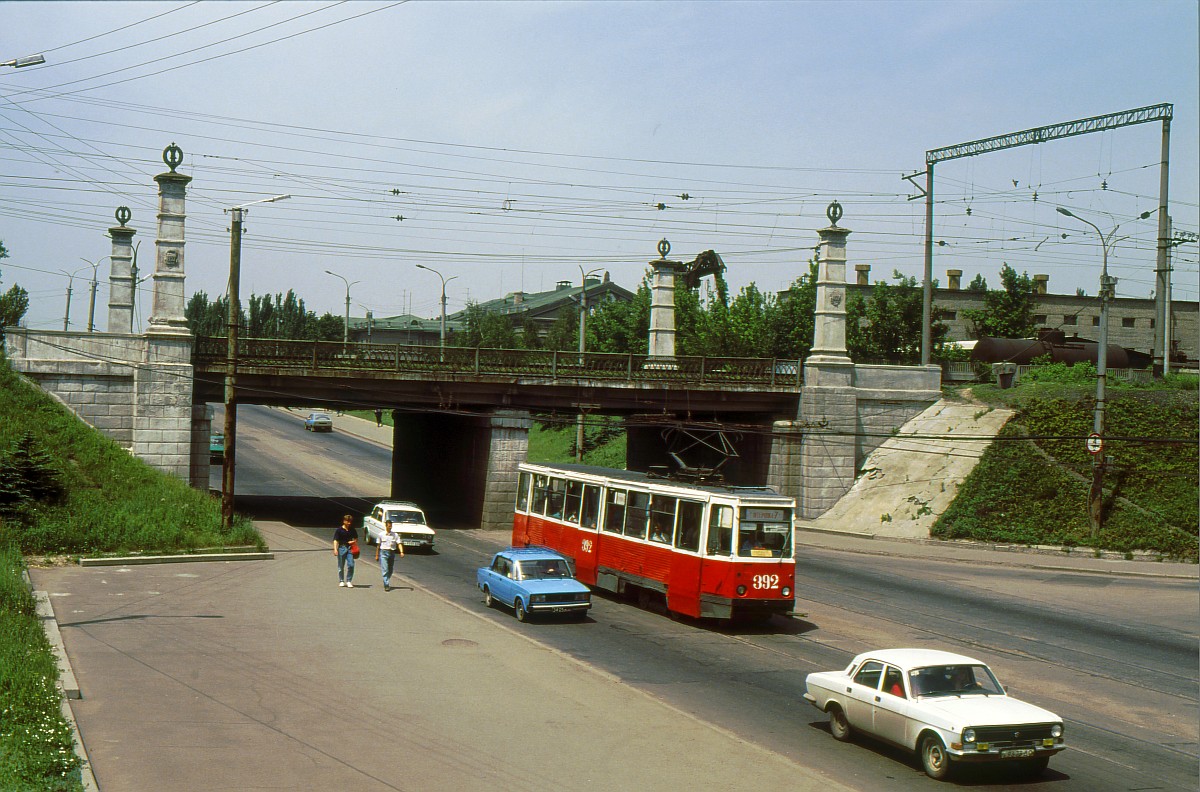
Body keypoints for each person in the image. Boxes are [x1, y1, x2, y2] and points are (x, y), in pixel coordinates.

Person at [375, 519, 404, 591]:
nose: (390, 528)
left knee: (390, 569)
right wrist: (377, 555)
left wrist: (401, 552)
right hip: (383, 552)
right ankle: (386, 584)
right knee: (385, 569)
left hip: (392, 552)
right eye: (388, 526)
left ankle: (386, 579)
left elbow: (399, 543)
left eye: (391, 526)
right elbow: (378, 546)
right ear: (386, 526)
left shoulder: (395, 535)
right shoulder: (381, 534)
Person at [332, 514, 358, 588]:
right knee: (341, 565)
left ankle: (349, 580)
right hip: (342, 548)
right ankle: (341, 581)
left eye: (350, 522)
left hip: (350, 548)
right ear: (344, 521)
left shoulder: (352, 530)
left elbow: (356, 539)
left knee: (351, 565)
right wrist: (335, 549)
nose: (349, 523)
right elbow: (335, 540)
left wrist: (353, 542)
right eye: (347, 521)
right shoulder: (339, 530)